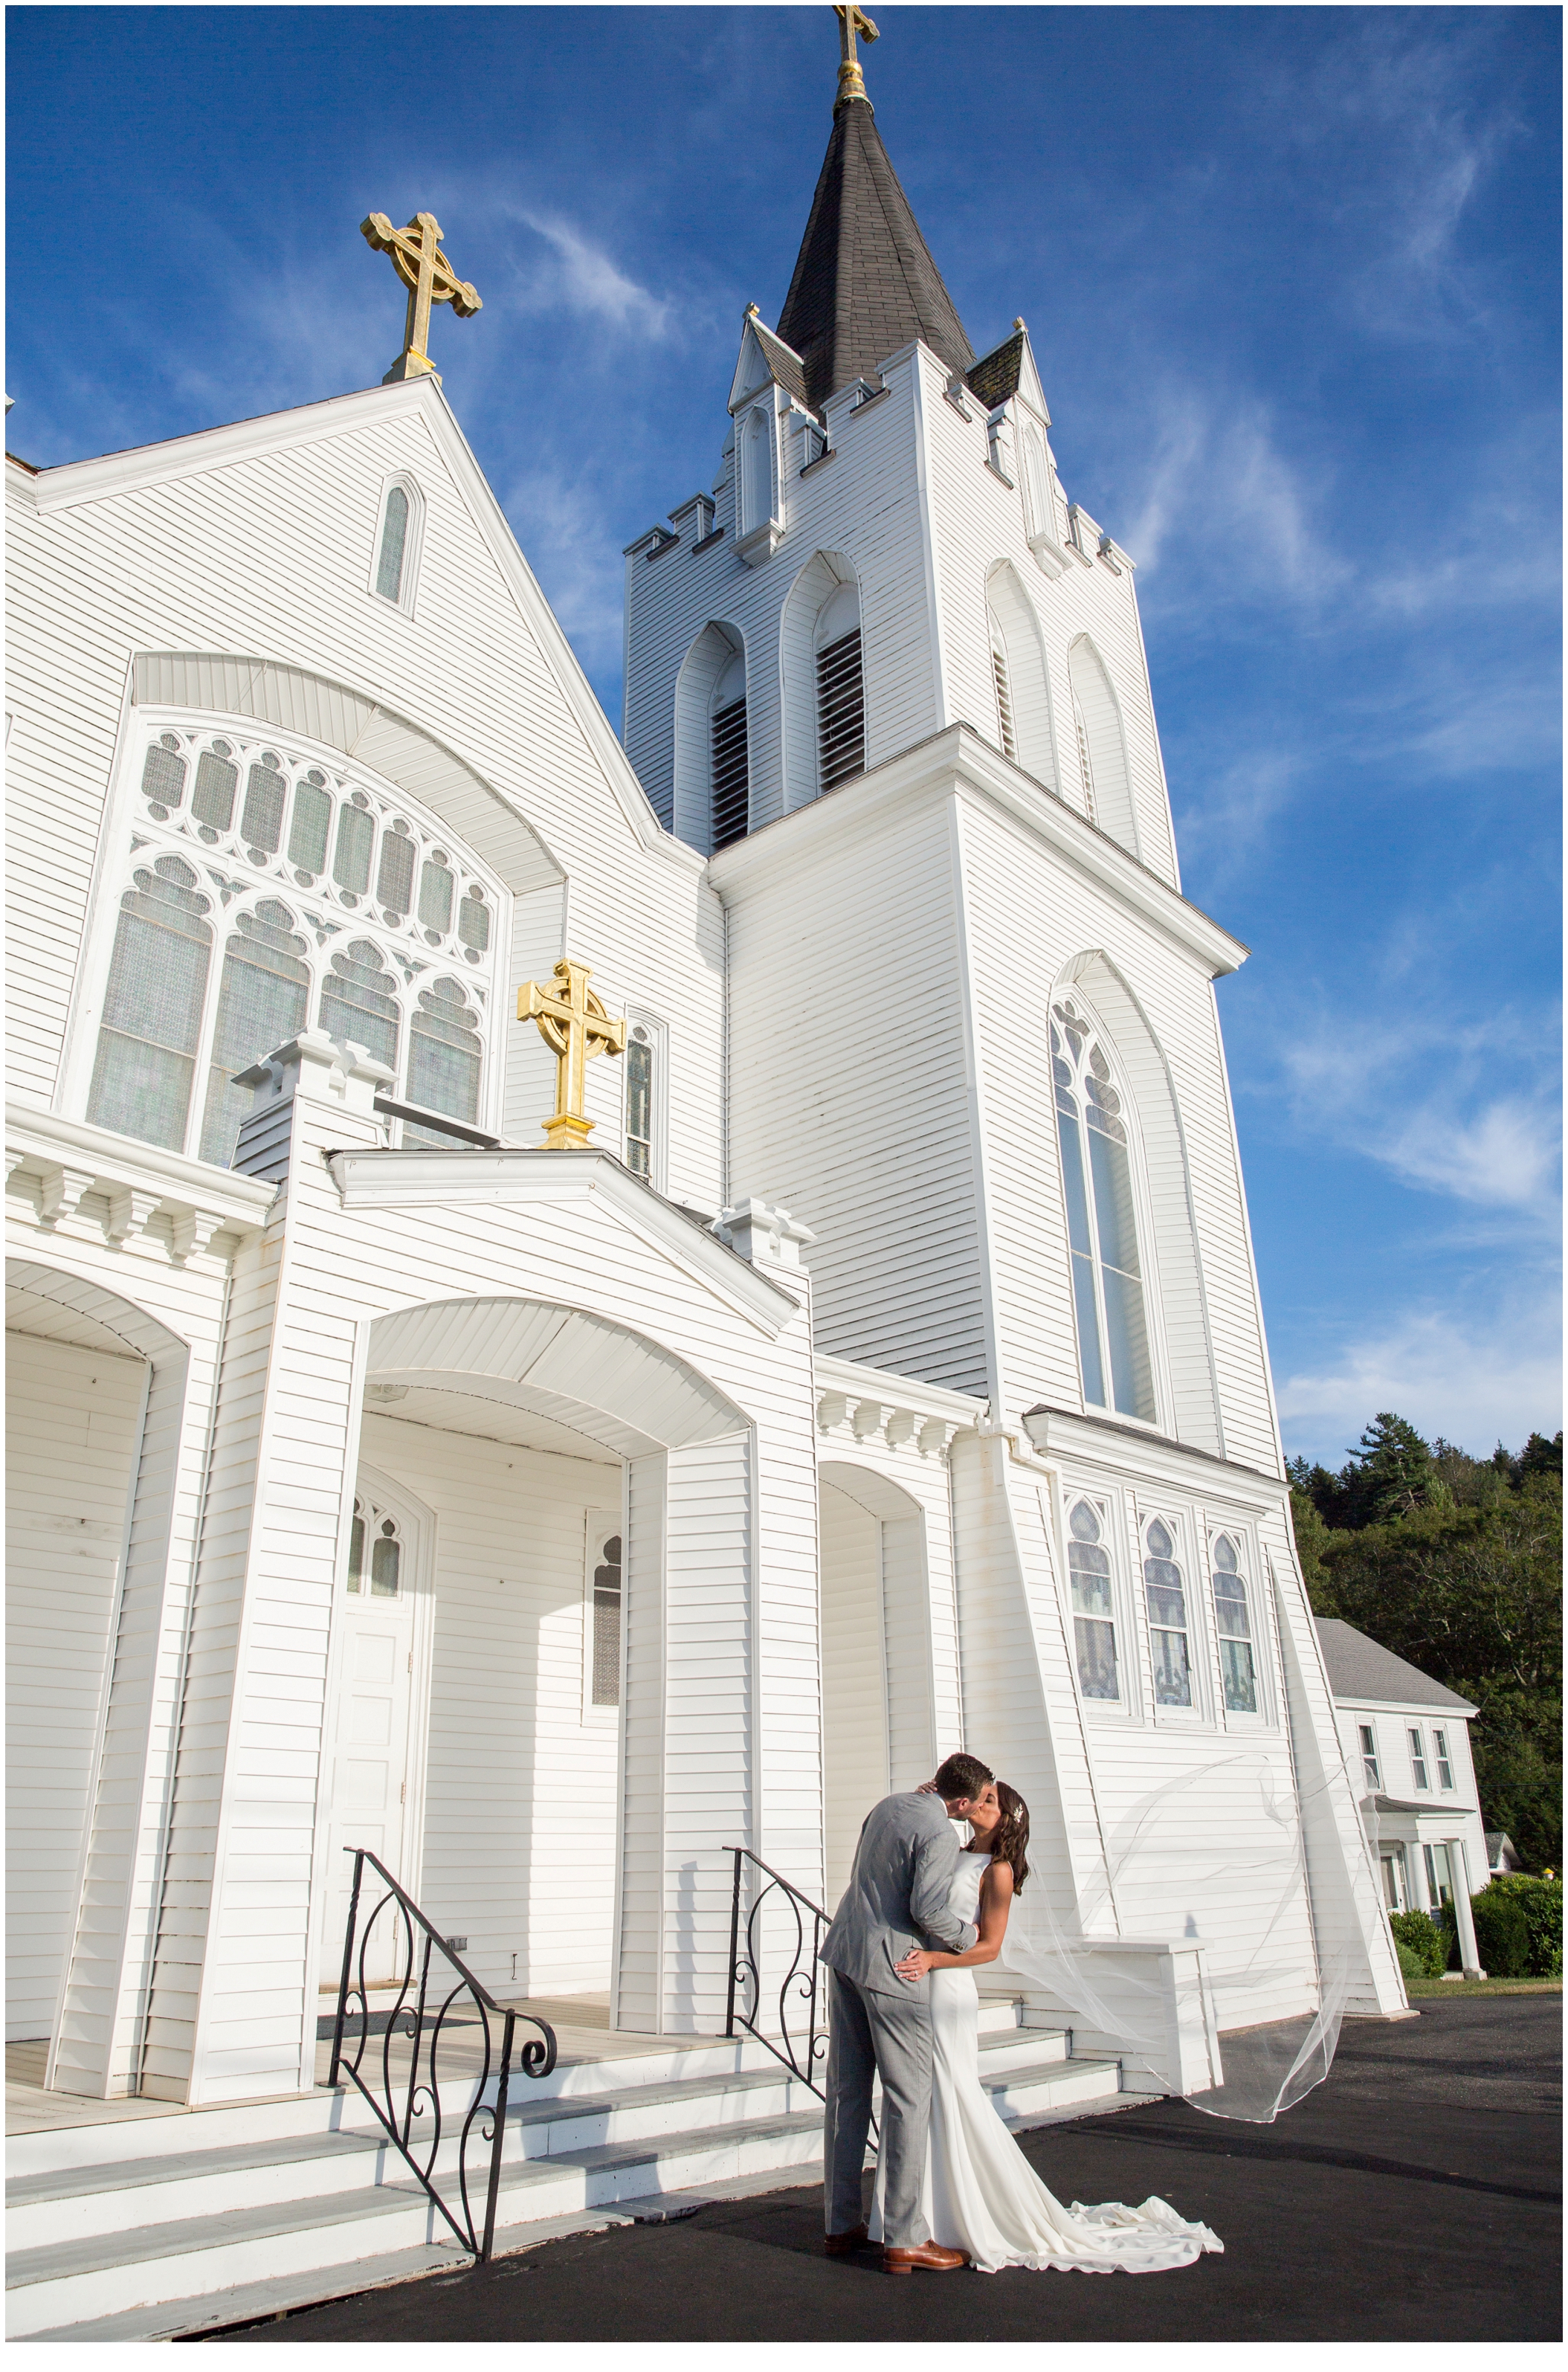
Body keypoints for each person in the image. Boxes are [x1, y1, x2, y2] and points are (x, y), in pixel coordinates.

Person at [876, 1778, 1224, 2275]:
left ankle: (955, 2217)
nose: (979, 1802)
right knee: (918, 2097)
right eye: (976, 1795)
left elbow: (989, 1947)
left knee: (947, 2093)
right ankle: (912, 2220)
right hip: (916, 1978)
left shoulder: (996, 1871)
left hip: (945, 1985)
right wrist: (929, 1796)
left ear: (1005, 1819)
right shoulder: (948, 1845)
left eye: (990, 1800)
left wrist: (934, 1960)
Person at [818, 1751, 995, 2273]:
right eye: (980, 1798)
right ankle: (904, 2236)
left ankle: (839, 2225)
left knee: (847, 2094)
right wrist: (970, 1940)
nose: (982, 1806)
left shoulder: (889, 1804)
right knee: (907, 2098)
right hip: (893, 1967)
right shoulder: (940, 1833)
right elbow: (927, 1910)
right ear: (960, 1801)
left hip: (845, 1951)